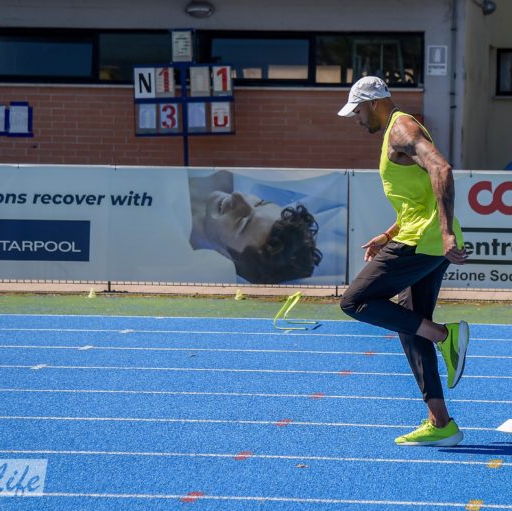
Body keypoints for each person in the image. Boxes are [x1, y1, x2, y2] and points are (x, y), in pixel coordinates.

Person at [337, 76, 470, 447]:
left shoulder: (401, 130)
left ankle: (445, 335)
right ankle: (441, 423)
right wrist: (387, 234)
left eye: (358, 112)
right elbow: (419, 198)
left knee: (354, 301)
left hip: (424, 242)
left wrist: (445, 234)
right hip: (422, 239)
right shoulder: (397, 132)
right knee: (412, 325)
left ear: (373, 103)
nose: (357, 120)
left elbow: (442, 170)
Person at [188, 169, 322, 284]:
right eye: (259, 203)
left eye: (242, 222)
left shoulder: (180, 262)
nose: (238, 196)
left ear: (227, 258)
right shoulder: (223, 173)